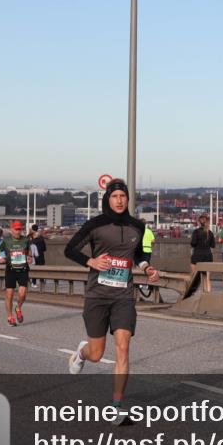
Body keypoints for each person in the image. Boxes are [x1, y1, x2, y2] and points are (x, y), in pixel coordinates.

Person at [65, 179, 158, 423]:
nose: (119, 200)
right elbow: (70, 249)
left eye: (123, 196)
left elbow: (138, 254)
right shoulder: (96, 224)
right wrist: (91, 262)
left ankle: (116, 408)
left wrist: (146, 267)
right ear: (108, 198)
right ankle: (81, 355)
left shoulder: (137, 226)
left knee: (123, 348)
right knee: (96, 354)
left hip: (123, 296)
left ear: (128, 199)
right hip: (97, 295)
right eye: (115, 196)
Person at [0, 220, 33, 326]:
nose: (18, 232)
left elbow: (28, 251)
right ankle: (10, 317)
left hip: (23, 269)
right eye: (16, 229)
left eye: (19, 229)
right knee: (10, 294)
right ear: (12, 230)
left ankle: (18, 307)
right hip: (10, 270)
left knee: (22, 294)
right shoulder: (6, 241)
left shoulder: (26, 240)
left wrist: (30, 257)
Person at [189, 215, 215, 293]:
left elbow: (193, 244)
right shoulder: (210, 233)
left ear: (199, 223)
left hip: (197, 256)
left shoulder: (196, 232)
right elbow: (213, 245)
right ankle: (208, 295)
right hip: (207, 256)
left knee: (194, 277)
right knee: (207, 278)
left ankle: (191, 294)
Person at [138, 224, 156, 298]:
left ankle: (140, 283)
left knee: (140, 266)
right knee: (147, 267)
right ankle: (147, 284)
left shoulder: (138, 231)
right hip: (148, 250)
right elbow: (153, 241)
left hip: (139, 251)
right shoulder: (149, 231)